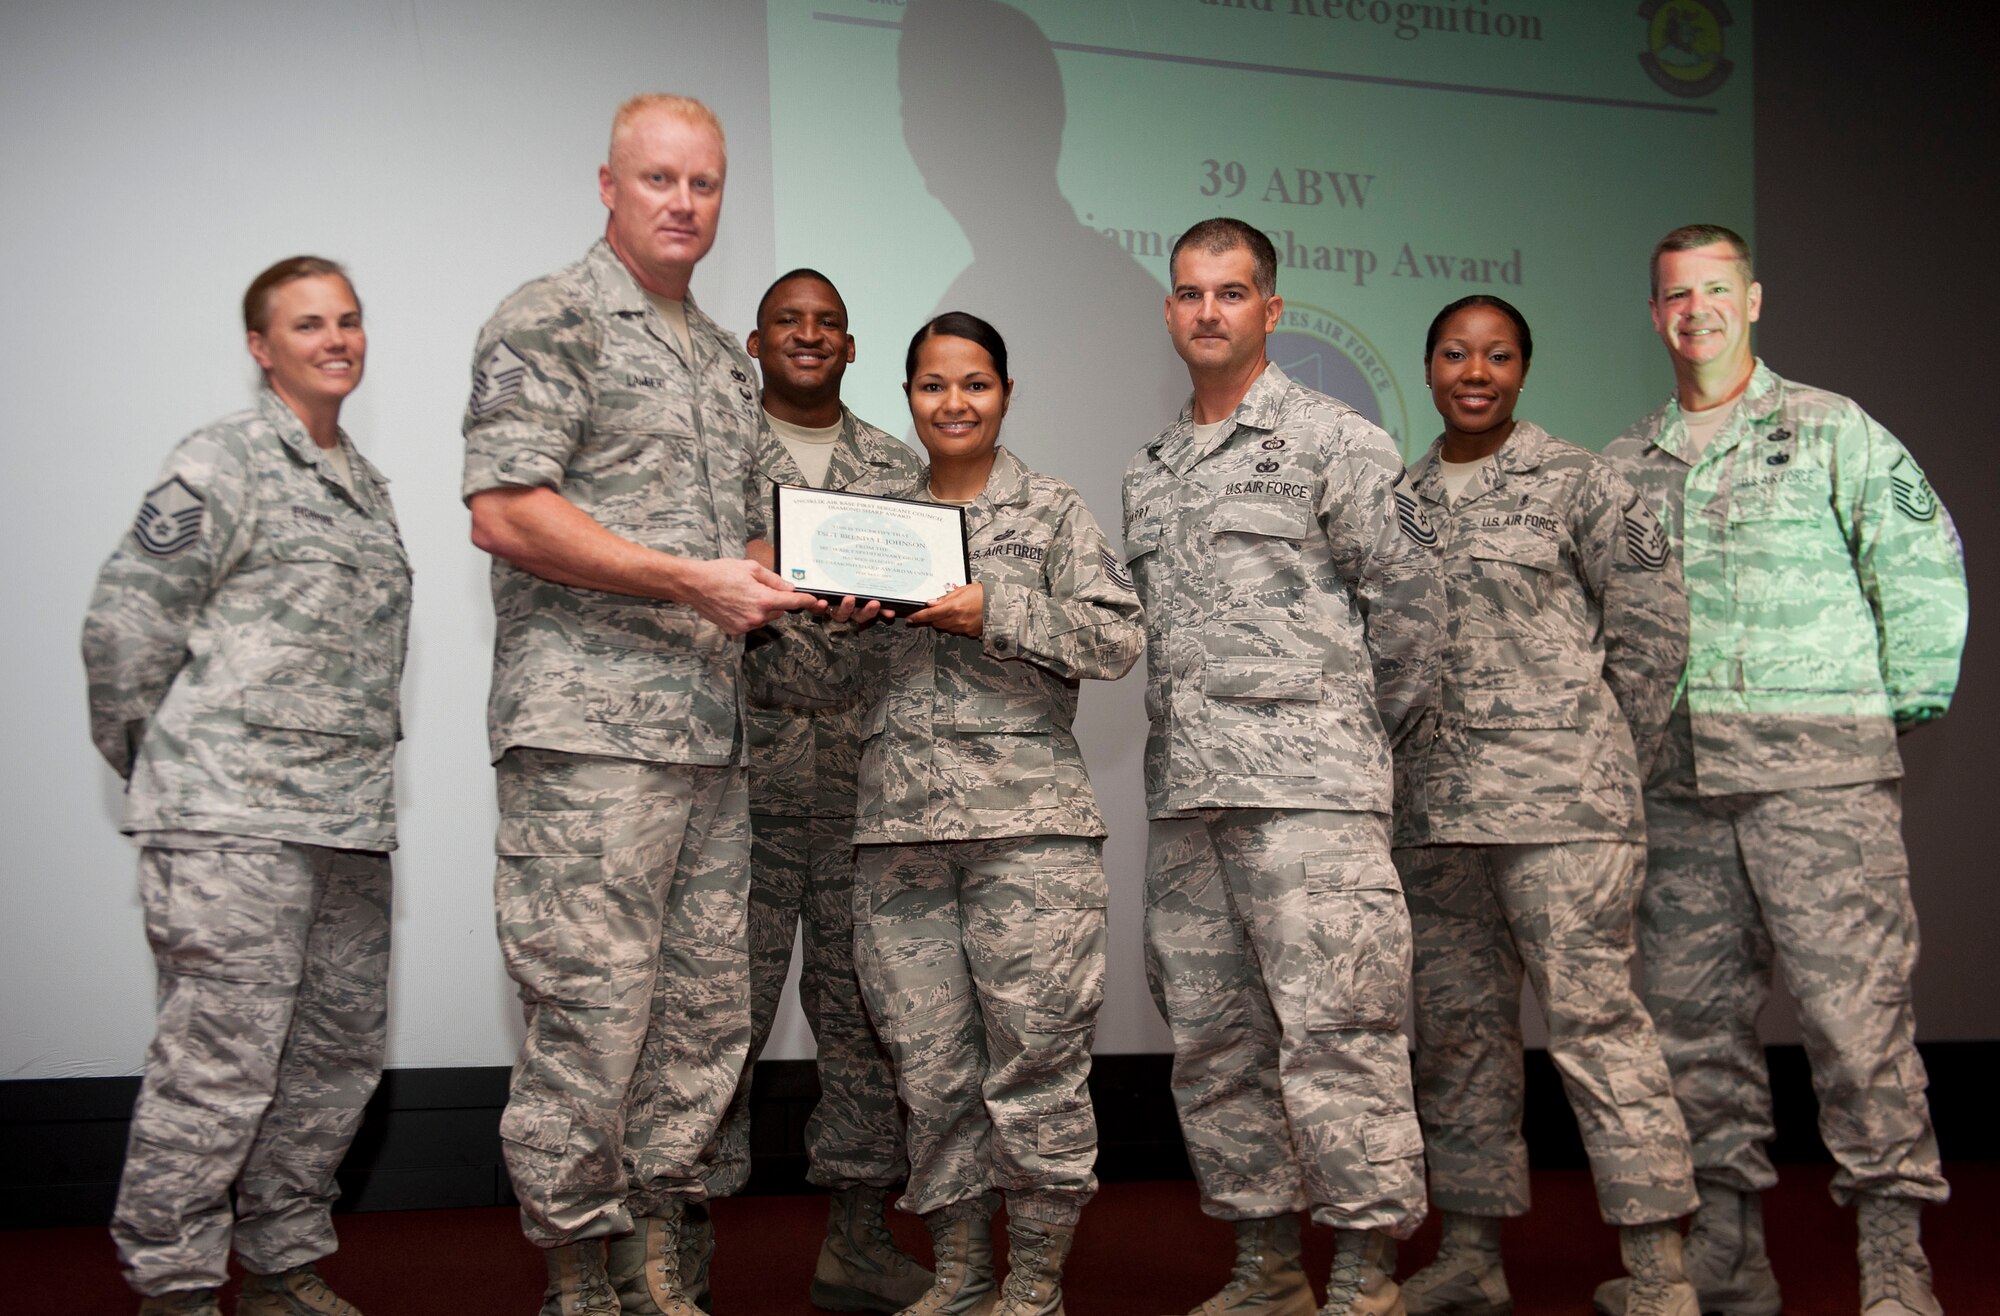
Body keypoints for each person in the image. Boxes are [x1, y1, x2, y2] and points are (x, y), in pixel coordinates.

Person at [461, 94, 815, 1316]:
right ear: (607, 186)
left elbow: (734, 549)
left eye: (703, 184)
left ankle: (657, 1254)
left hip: (708, 743)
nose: (682, 203)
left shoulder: (723, 356)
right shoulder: (549, 316)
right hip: (591, 740)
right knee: (592, 1017)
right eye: (657, 179)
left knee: (702, 1023)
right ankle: (577, 1270)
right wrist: (690, 581)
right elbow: (504, 509)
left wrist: (813, 578)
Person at [1596, 225, 1967, 1316]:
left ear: (1751, 300)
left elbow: (1917, 560)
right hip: (1679, 785)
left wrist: (1889, 709)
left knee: (1855, 1025)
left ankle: (1892, 1256)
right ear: (1653, 313)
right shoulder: (1625, 462)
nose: (1694, 310)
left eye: (1715, 289)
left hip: (1819, 782)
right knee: (1689, 1030)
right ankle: (1725, 1250)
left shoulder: (1828, 429)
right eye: (1674, 295)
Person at [753, 312, 1142, 1316]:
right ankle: (965, 1270)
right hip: (896, 838)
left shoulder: (1050, 508)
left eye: (973, 383)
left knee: (1036, 1062)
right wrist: (828, 617)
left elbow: (1114, 637)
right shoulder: (870, 519)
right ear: (909, 396)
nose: (953, 403)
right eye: (931, 385)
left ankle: (1033, 1281)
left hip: (1030, 837)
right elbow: (833, 676)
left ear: (1003, 392)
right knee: (930, 1072)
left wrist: (993, 607)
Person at [1123, 217, 1445, 1316]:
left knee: (1340, 1030)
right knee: (1213, 1039)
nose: (1206, 310)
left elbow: (1408, 616)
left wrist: (1341, 741)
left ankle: (1361, 1264)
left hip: (1311, 800)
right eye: (1188, 292)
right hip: (1190, 802)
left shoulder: (1336, 441)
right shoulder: (1151, 468)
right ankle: (1264, 1260)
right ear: (1169, 312)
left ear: (1269, 308)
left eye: (1230, 291)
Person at [83, 256, 407, 1316]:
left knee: (329, 1064)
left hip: (346, 824)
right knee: (216, 1071)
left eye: (349, 320)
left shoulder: (363, 483)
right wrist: (172, 771)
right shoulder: (218, 460)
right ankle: (174, 1286)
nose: (337, 339)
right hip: (232, 823)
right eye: (309, 323)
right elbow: (125, 627)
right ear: (262, 347)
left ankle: (278, 1265)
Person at [1389, 295, 1699, 1316]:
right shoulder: (1396, 496)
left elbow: (1653, 629)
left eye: (1497, 355)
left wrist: (1606, 751)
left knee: (1595, 1026)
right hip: (1438, 816)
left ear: (1522, 368)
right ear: (1427, 365)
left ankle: (1657, 1272)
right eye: (1453, 353)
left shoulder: (1577, 480)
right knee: (1458, 1036)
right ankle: (1472, 1253)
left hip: (1564, 812)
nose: (1473, 371)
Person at [701, 268, 933, 1312]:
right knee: (713, 1018)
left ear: (850, 345)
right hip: (731, 780)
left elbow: (929, 597)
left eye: (826, 322)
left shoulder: (893, 465)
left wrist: (887, 604)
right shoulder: (708, 454)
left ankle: (855, 1236)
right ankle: (678, 1244)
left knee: (862, 1015)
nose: (807, 334)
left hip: (856, 782)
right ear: (753, 343)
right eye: (787, 321)